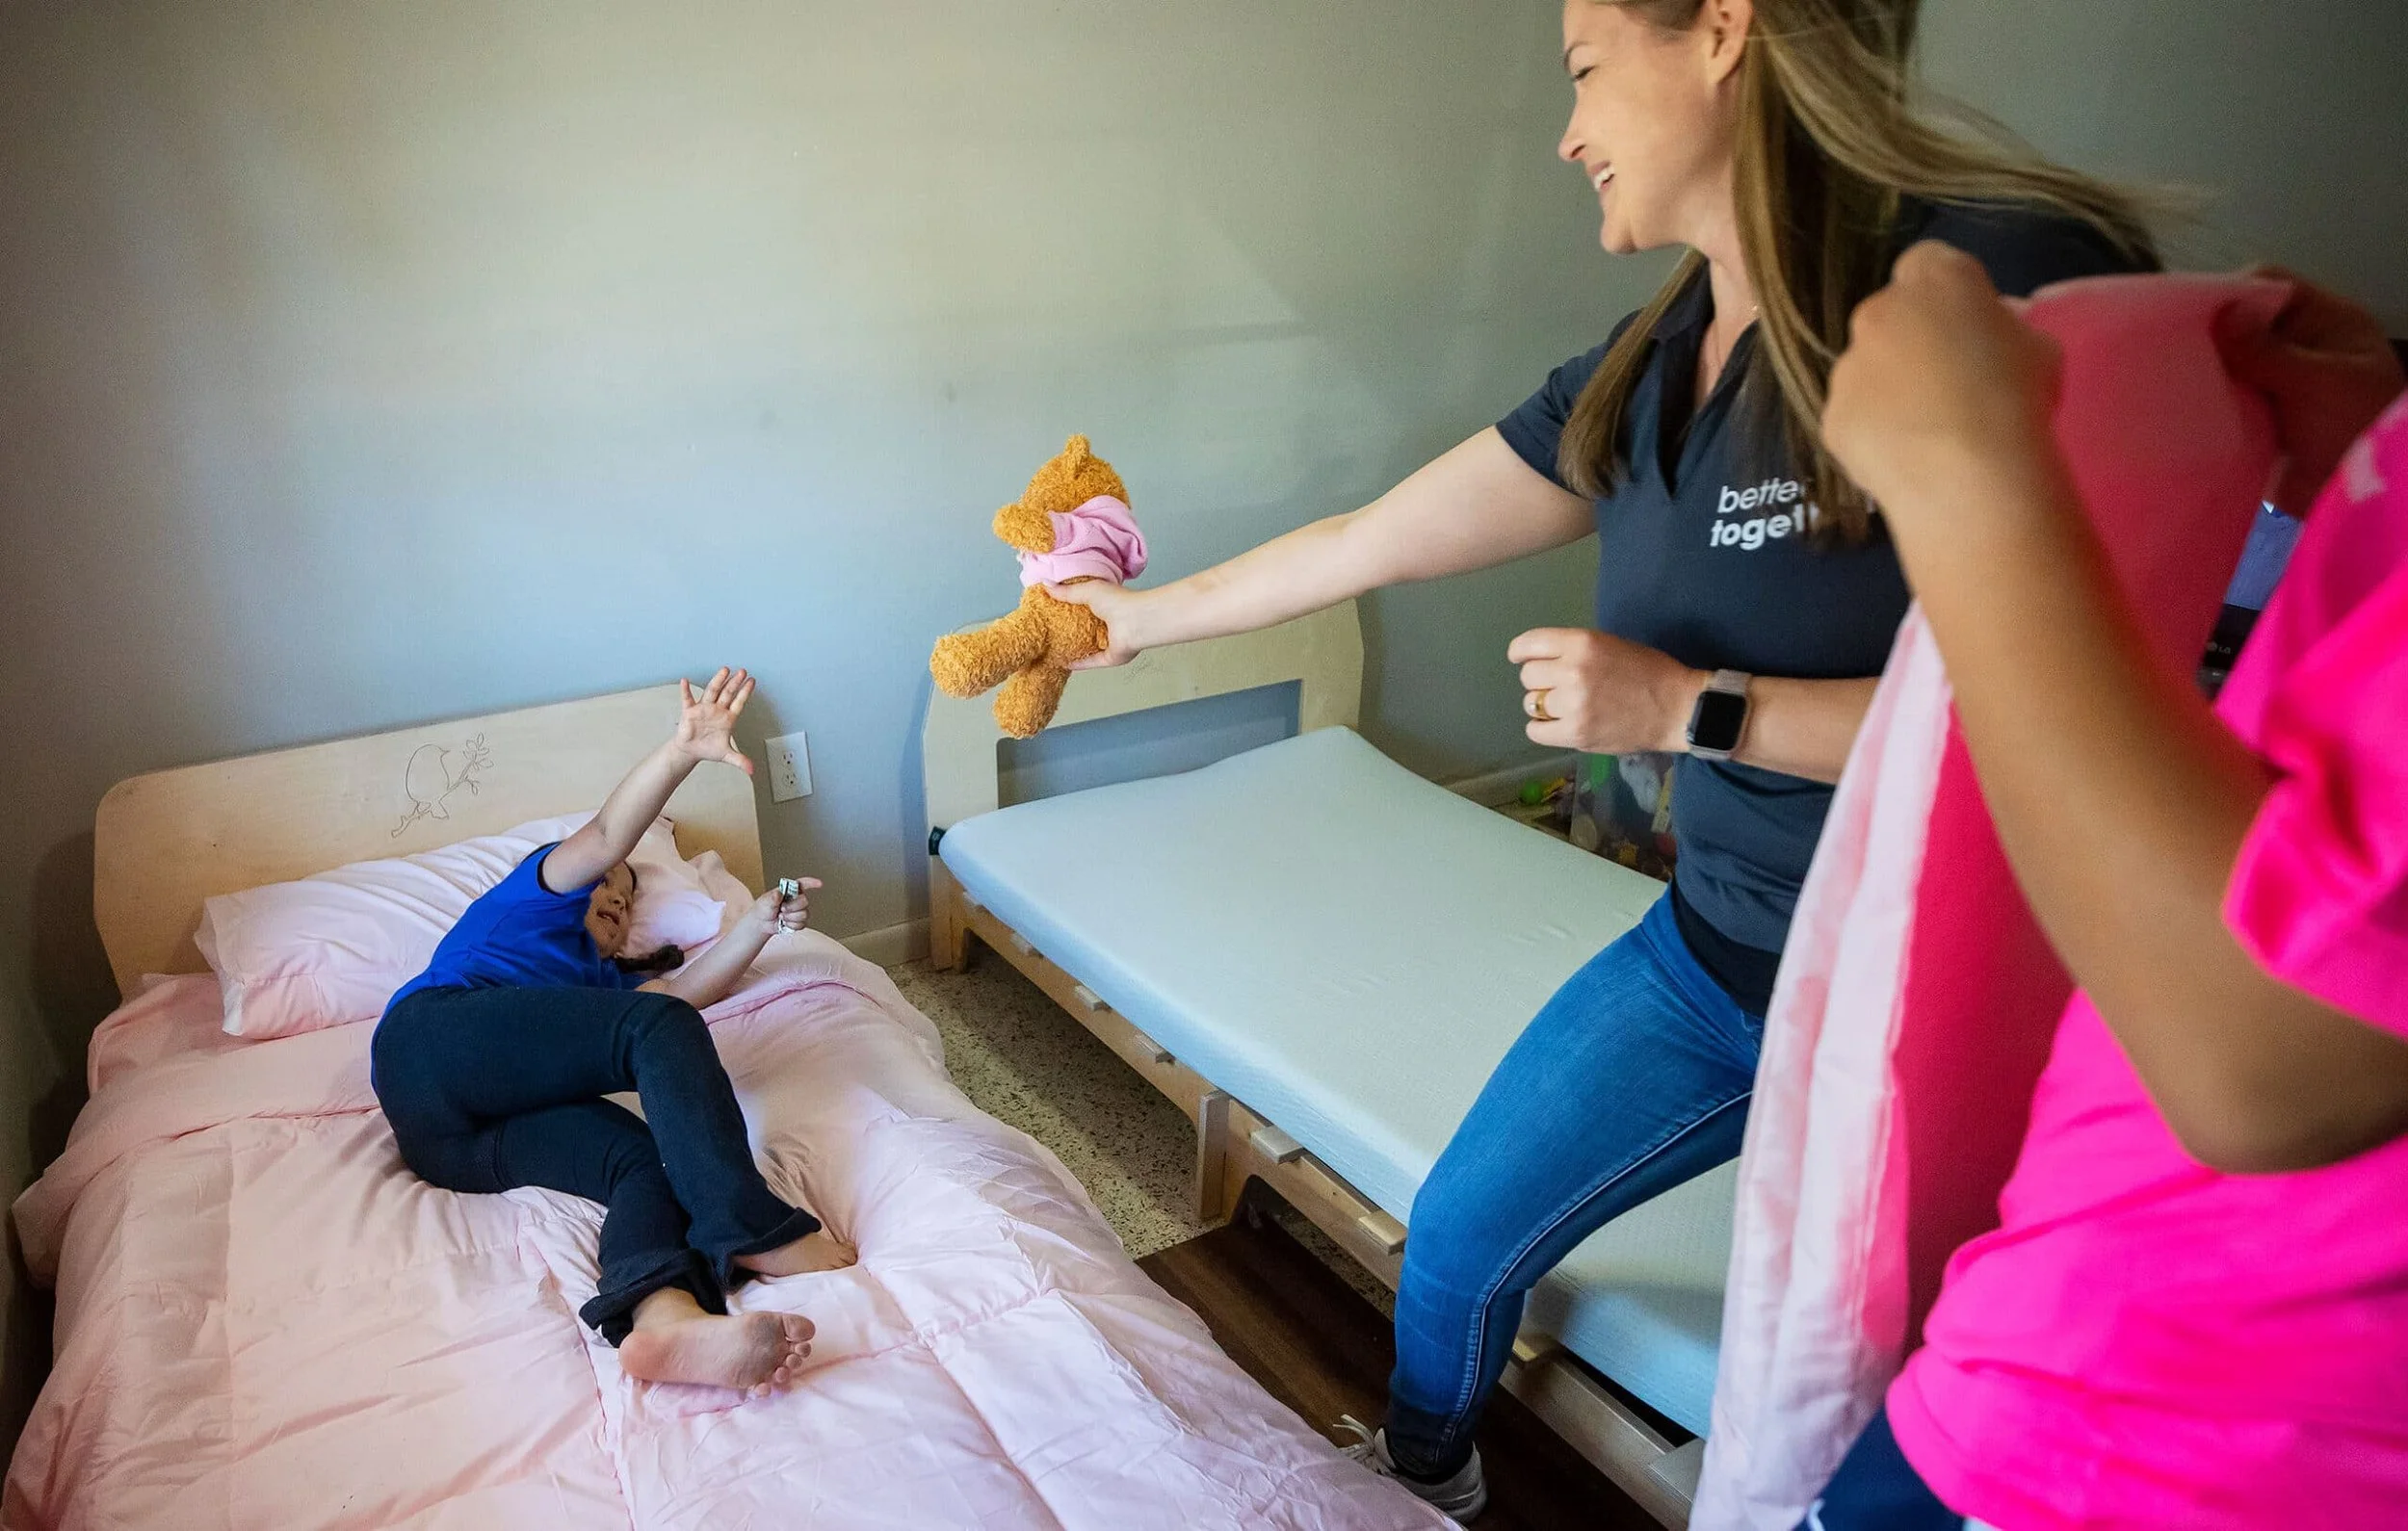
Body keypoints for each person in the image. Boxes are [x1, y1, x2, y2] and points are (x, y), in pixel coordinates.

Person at [1056, 0, 2153, 1514]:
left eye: (1581, 70)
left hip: (1951, 1018)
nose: (1566, 130)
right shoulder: (1642, 375)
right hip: (1715, 954)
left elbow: (2089, 709)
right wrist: (1136, 621)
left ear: (1721, 29)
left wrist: (1695, 707)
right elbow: (1372, 537)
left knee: (1893, 1427)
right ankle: (1428, 1474)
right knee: (1456, 1230)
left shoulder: (1995, 280)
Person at [1802, 250, 2408, 1527]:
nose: (1571, 131)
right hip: (2118, 1331)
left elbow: (2270, 1062)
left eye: (1585, 74)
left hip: (2186, 1434)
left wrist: (1966, 483)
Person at [372, 667, 855, 1396]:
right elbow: (605, 837)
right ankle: (753, 1230)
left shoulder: (607, 991)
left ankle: (665, 1319)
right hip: (429, 1048)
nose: (617, 904)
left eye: (629, 904)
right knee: (655, 1028)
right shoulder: (525, 911)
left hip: (454, 1147)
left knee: (646, 1165)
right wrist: (683, 752)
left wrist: (757, 922)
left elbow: (681, 996)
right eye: (609, 886)